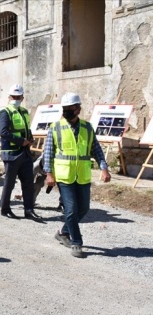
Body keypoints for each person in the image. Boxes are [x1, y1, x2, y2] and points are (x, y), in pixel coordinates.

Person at [44, 92, 111, 258]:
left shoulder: (87, 127)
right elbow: (48, 153)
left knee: (84, 208)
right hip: (64, 175)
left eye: (70, 108)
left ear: (78, 109)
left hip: (82, 175)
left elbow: (96, 149)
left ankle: (63, 232)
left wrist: (104, 168)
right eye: (64, 108)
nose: (66, 111)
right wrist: (49, 174)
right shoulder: (55, 127)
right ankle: (76, 243)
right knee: (71, 210)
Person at [0, 84, 41, 221]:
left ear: (22, 97)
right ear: (9, 97)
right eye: (14, 97)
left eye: (18, 97)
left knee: (28, 183)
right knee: (9, 183)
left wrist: (30, 138)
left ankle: (29, 210)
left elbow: (26, 128)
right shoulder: (5, 111)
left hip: (25, 153)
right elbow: (3, 132)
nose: (16, 99)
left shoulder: (23, 111)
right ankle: (5, 209)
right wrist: (20, 141)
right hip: (11, 153)